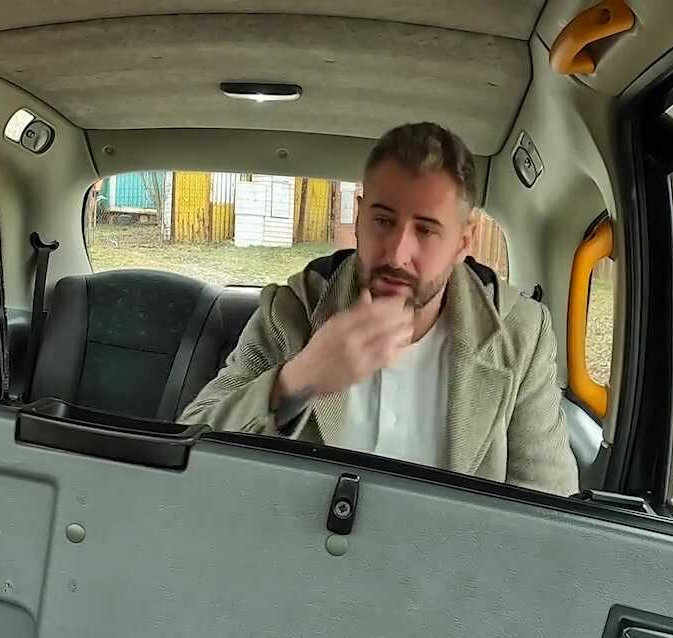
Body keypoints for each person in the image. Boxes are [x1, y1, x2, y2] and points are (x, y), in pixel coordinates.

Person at [180, 122, 578, 496]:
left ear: (463, 242)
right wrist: (297, 379)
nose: (397, 254)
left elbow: (551, 514)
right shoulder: (291, 311)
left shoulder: (520, 337)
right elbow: (185, 451)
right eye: (384, 221)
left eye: (426, 230)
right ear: (359, 219)